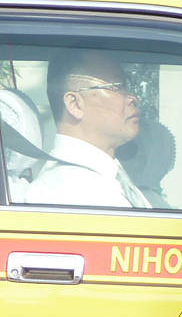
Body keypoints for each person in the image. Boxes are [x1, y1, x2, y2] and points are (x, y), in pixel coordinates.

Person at [26, 50, 151, 208]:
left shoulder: (103, 181)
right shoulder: (72, 192)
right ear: (75, 104)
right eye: (117, 87)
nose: (133, 98)